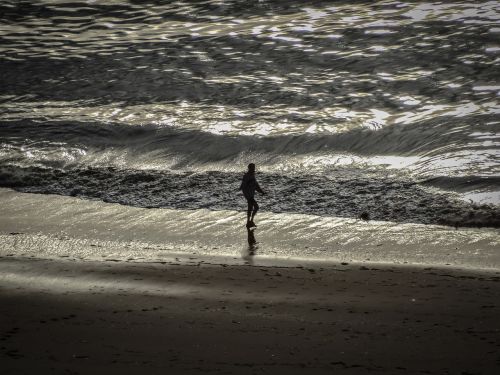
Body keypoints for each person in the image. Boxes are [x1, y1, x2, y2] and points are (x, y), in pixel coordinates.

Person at [240, 163, 265, 228]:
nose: (254, 168)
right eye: (252, 167)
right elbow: (243, 187)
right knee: (256, 207)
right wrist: (247, 196)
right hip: (249, 196)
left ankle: (249, 222)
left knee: (250, 208)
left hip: (251, 195)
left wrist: (261, 192)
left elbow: (256, 186)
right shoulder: (246, 176)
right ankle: (250, 221)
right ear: (249, 168)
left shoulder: (253, 175)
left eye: (254, 167)